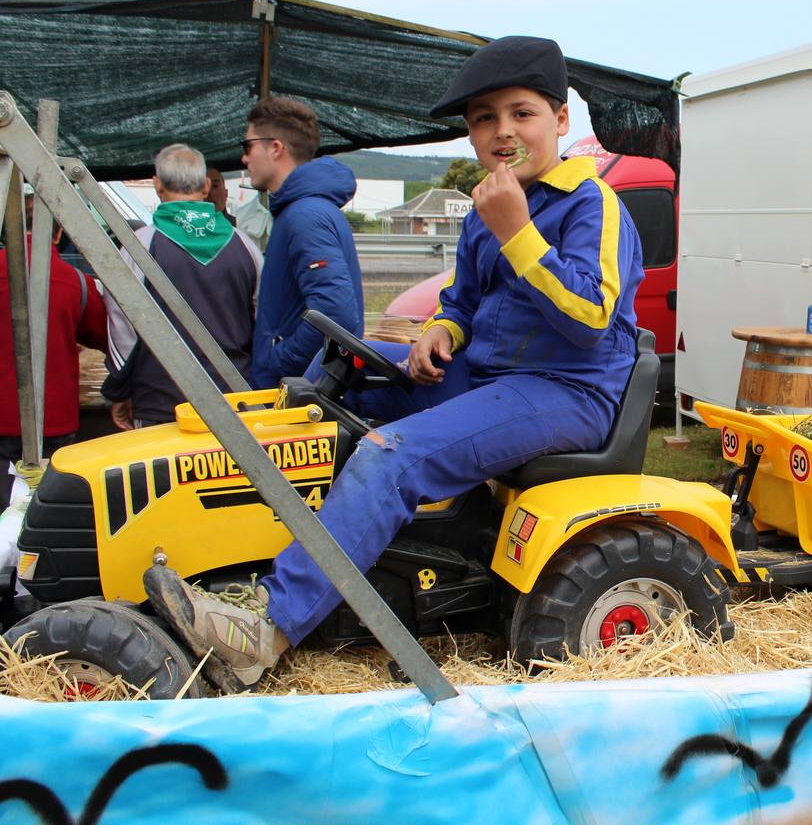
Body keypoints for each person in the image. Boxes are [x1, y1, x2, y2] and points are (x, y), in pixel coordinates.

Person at [144, 35, 646, 692]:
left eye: (521, 113)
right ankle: (303, 552)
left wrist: (517, 232)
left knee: (391, 453)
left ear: (559, 120)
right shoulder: (486, 210)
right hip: (492, 376)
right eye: (483, 119)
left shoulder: (590, 205)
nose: (502, 132)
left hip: (566, 388)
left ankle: (263, 628)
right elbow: (463, 301)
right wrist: (440, 329)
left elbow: (590, 319)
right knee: (342, 374)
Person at [101, 144, 262, 428]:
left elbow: (123, 328)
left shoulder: (138, 246)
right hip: (235, 400)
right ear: (205, 186)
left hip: (160, 402)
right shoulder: (245, 246)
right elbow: (264, 324)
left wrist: (119, 390)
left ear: (157, 185)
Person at [240, 97, 362, 390]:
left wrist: (279, 362)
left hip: (295, 393)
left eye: (248, 146)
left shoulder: (305, 216)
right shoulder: (300, 211)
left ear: (276, 148)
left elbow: (336, 313)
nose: (244, 158)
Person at [0, 185, 108, 500]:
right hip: (55, 421)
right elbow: (104, 338)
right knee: (50, 512)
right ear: (59, 233)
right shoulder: (78, 284)